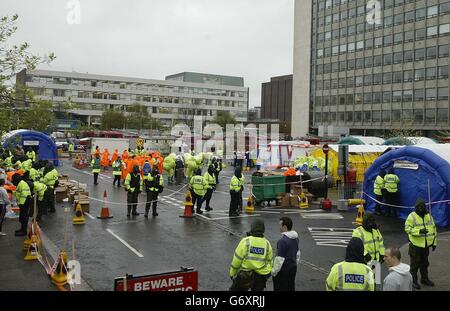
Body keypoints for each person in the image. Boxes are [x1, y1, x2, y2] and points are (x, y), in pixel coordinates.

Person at [229, 219, 273, 291]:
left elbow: (237, 260)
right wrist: (266, 274)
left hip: (245, 275)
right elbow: (270, 262)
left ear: (252, 228)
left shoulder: (246, 241)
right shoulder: (267, 243)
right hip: (260, 277)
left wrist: (232, 273)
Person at [405, 198, 437, 290]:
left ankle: (424, 279)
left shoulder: (429, 216)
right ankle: (413, 282)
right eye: (419, 207)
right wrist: (419, 231)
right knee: (414, 265)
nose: (422, 209)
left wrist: (434, 243)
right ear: (416, 208)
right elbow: (407, 229)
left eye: (423, 207)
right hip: (415, 246)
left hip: (425, 246)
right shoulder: (412, 216)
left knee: (424, 264)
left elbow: (434, 229)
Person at [272, 217, 300, 291]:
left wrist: (274, 272)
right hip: (293, 268)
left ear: (284, 227)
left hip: (283, 271)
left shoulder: (282, 241)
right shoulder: (296, 238)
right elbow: (297, 253)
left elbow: (279, 259)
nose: (279, 227)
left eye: (280, 225)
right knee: (290, 287)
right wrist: (294, 263)